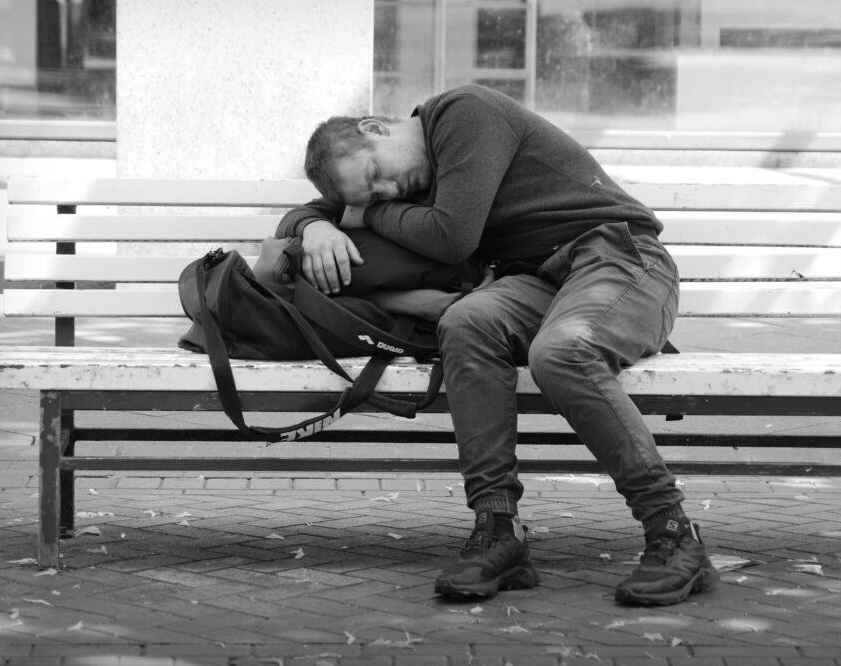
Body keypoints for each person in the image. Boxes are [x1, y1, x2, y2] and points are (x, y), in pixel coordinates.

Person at [276, 84, 719, 605]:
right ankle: (498, 531)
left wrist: (363, 214)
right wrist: (312, 228)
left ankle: (672, 530)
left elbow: (451, 237)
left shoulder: (465, 114)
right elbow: (305, 212)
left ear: (374, 128)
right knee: (466, 322)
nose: (392, 192)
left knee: (561, 353)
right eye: (375, 196)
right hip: (540, 282)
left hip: (617, 258)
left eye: (378, 177)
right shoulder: (399, 173)